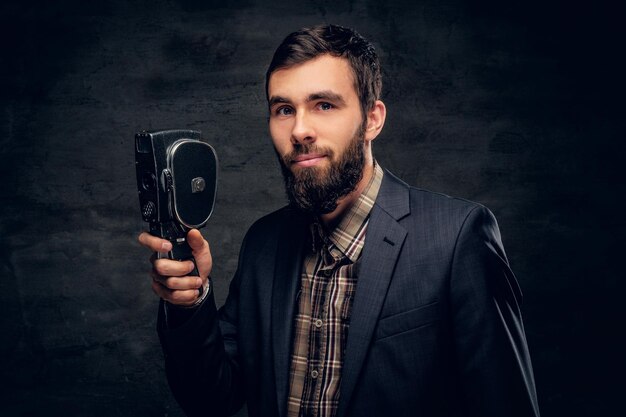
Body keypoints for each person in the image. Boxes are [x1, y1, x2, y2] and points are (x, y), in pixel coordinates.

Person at [138, 24, 540, 417]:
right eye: (283, 109)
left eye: (324, 105)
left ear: (372, 119)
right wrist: (189, 302)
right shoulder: (263, 243)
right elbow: (211, 399)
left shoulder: (457, 238)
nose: (299, 130)